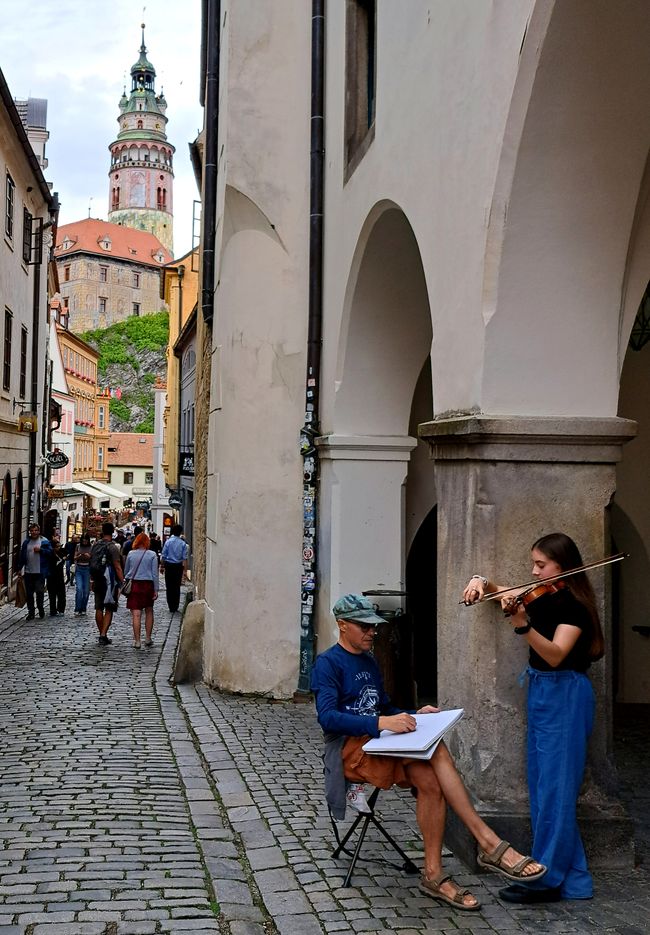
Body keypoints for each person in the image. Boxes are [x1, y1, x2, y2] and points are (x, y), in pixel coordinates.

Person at [311, 594, 546, 912]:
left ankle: (434, 875)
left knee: (431, 780)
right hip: (349, 752)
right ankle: (487, 842)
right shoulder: (328, 663)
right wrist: (382, 721)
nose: (372, 632)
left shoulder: (368, 660)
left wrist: (414, 714)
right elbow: (327, 717)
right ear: (342, 625)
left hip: (378, 744)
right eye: (364, 626)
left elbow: (385, 707)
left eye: (373, 627)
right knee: (435, 752)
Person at [462, 532, 604, 904]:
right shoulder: (545, 594)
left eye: (541, 565)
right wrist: (481, 581)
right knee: (544, 788)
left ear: (563, 566)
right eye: (533, 564)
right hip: (542, 692)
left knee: (557, 791)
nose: (533, 572)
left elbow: (557, 654)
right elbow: (501, 590)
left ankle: (545, 880)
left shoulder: (574, 605)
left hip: (565, 694)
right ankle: (574, 879)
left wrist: (523, 626)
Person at [89, 521, 124, 645]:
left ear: (102, 531)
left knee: (98, 607)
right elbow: (117, 565)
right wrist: (122, 580)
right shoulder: (113, 547)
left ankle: (101, 634)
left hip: (97, 578)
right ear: (113, 531)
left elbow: (91, 562)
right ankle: (103, 634)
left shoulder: (95, 545)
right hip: (110, 581)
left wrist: (91, 579)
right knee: (109, 607)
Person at [123, 532, 159, 648]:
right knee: (149, 611)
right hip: (148, 585)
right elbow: (155, 574)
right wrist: (156, 589)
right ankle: (148, 638)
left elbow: (126, 572)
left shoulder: (131, 554)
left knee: (136, 614)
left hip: (135, 585)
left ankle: (137, 641)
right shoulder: (152, 555)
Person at [18, 524, 52, 620]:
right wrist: (19, 568)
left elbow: (50, 553)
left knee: (39, 591)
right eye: (32, 530)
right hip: (29, 571)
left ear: (39, 531)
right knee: (29, 593)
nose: (34, 532)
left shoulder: (44, 541)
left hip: (40, 571)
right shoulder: (26, 542)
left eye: (36, 530)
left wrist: (41, 550)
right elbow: (22, 556)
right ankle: (31, 612)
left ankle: (40, 608)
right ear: (30, 531)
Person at [160, 524, 189, 613]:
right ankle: (175, 605)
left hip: (169, 566)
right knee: (177, 586)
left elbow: (163, 555)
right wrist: (184, 571)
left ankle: (170, 605)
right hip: (178, 566)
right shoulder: (183, 543)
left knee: (169, 586)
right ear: (180, 532)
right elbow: (185, 559)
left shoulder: (168, 542)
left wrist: (162, 566)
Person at [46, 534, 67, 616]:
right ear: (53, 547)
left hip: (60, 577)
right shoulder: (50, 555)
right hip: (51, 577)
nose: (59, 548)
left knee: (61, 594)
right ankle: (53, 610)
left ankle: (61, 609)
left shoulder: (61, 553)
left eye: (59, 546)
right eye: (57, 546)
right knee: (52, 595)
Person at [73, 532, 93, 615]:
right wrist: (79, 556)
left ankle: (83, 608)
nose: (84, 542)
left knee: (86, 591)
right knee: (79, 589)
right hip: (79, 569)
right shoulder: (78, 546)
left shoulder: (91, 547)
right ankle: (77, 608)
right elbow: (74, 557)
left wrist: (89, 557)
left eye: (86, 541)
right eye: (83, 541)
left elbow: (93, 559)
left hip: (87, 569)